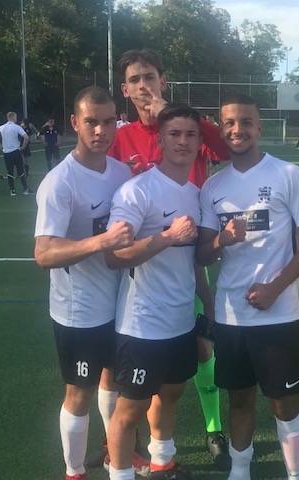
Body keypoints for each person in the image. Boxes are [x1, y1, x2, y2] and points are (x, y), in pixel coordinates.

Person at [108, 48, 231, 469]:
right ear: (125, 90)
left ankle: (210, 430)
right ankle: (119, 449)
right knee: (121, 377)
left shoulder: (186, 126)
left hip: (188, 264)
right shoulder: (121, 138)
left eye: (150, 77)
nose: (144, 85)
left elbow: (224, 148)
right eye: (135, 79)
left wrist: (170, 111)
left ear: (162, 81)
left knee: (198, 354)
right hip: (137, 275)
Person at [196, 93, 299, 480]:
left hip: (278, 314)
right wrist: (221, 240)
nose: (238, 130)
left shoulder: (287, 174)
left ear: (259, 127)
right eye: (229, 123)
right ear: (221, 130)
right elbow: (202, 255)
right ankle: (240, 472)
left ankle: (295, 475)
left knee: (285, 403)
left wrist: (275, 287)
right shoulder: (212, 187)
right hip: (232, 317)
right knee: (239, 400)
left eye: (246, 122)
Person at [34, 86, 141, 480]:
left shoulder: (121, 173)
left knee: (112, 380)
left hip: (120, 303)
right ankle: (74, 470)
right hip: (78, 310)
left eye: (109, 121)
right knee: (79, 392)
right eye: (91, 122)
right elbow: (44, 253)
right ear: (75, 123)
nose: (101, 130)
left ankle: (114, 452)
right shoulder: (60, 182)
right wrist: (101, 241)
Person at [105, 103, 209, 480]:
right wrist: (167, 237)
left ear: (199, 142)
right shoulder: (137, 191)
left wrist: (209, 308)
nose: (183, 141)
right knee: (130, 410)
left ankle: (162, 462)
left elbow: (194, 261)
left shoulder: (198, 194)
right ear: (160, 140)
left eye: (190, 134)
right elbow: (114, 257)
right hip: (142, 325)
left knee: (171, 394)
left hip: (181, 321)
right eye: (174, 134)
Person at [0, 112, 34, 196]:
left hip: (6, 152)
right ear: (13, 117)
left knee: (9, 171)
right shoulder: (17, 127)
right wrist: (23, 147)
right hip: (16, 151)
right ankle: (25, 189)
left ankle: (12, 190)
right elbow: (26, 137)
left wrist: (1, 146)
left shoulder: (2, 127)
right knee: (20, 170)